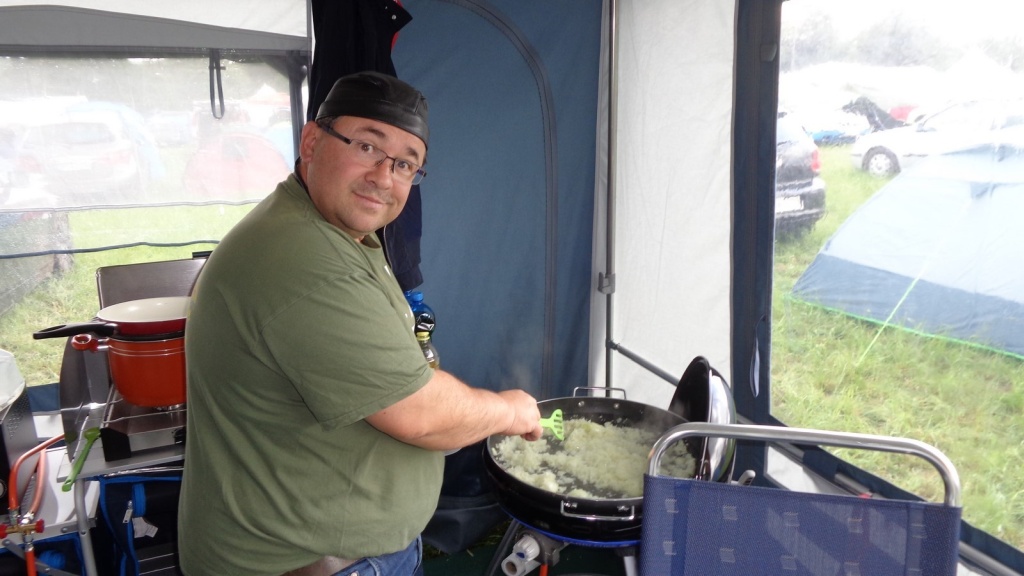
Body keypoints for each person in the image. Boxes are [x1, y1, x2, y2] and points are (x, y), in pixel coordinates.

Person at [177, 71, 543, 576]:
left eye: (405, 164)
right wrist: (510, 410)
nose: (384, 177)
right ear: (311, 142)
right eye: (368, 147)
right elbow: (418, 414)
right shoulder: (302, 259)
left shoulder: (333, 231)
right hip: (311, 563)